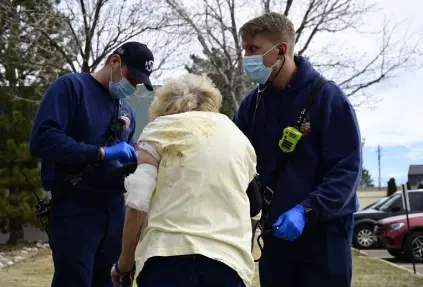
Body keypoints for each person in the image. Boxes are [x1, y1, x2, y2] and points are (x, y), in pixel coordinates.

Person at [233, 12, 362, 287]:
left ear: (281, 50)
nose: (246, 58)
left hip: (324, 234)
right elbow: (233, 156)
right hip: (277, 233)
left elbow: (346, 172)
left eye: (253, 49)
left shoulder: (328, 98)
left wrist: (306, 211)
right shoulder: (252, 104)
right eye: (244, 49)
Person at [110, 73, 258, 287]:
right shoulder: (238, 138)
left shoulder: (160, 130)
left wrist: (124, 265)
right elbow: (254, 206)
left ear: (164, 104)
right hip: (227, 262)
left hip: (167, 258)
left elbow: (138, 203)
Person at [29, 42, 155, 287]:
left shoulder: (125, 109)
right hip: (76, 206)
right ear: (115, 61)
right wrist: (99, 153)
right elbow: (43, 140)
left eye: (139, 83)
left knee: (110, 281)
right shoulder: (71, 88)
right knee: (74, 280)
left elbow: (120, 158)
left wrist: (133, 163)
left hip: (114, 208)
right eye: (132, 77)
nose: (133, 86)